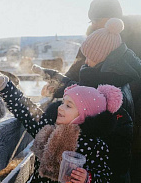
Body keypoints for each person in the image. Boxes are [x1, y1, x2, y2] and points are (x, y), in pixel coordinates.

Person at [0, 60, 128, 182]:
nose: (60, 108)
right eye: (62, 102)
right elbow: (25, 109)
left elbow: (105, 176)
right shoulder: (48, 129)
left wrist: (87, 178)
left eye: (69, 106)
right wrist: (1, 83)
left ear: (84, 115)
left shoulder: (96, 145)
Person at [38, 17, 139, 183]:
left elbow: (115, 158)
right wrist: (56, 85)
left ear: (103, 59)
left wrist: (90, 177)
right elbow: (78, 88)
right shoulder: (104, 77)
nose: (85, 61)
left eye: (90, 57)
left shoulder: (112, 89)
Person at [64, 2, 141, 181]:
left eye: (98, 19)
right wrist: (59, 87)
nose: (94, 24)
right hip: (110, 134)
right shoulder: (94, 40)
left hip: (128, 131)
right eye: (91, 20)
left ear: (115, 18)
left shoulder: (135, 37)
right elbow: (77, 71)